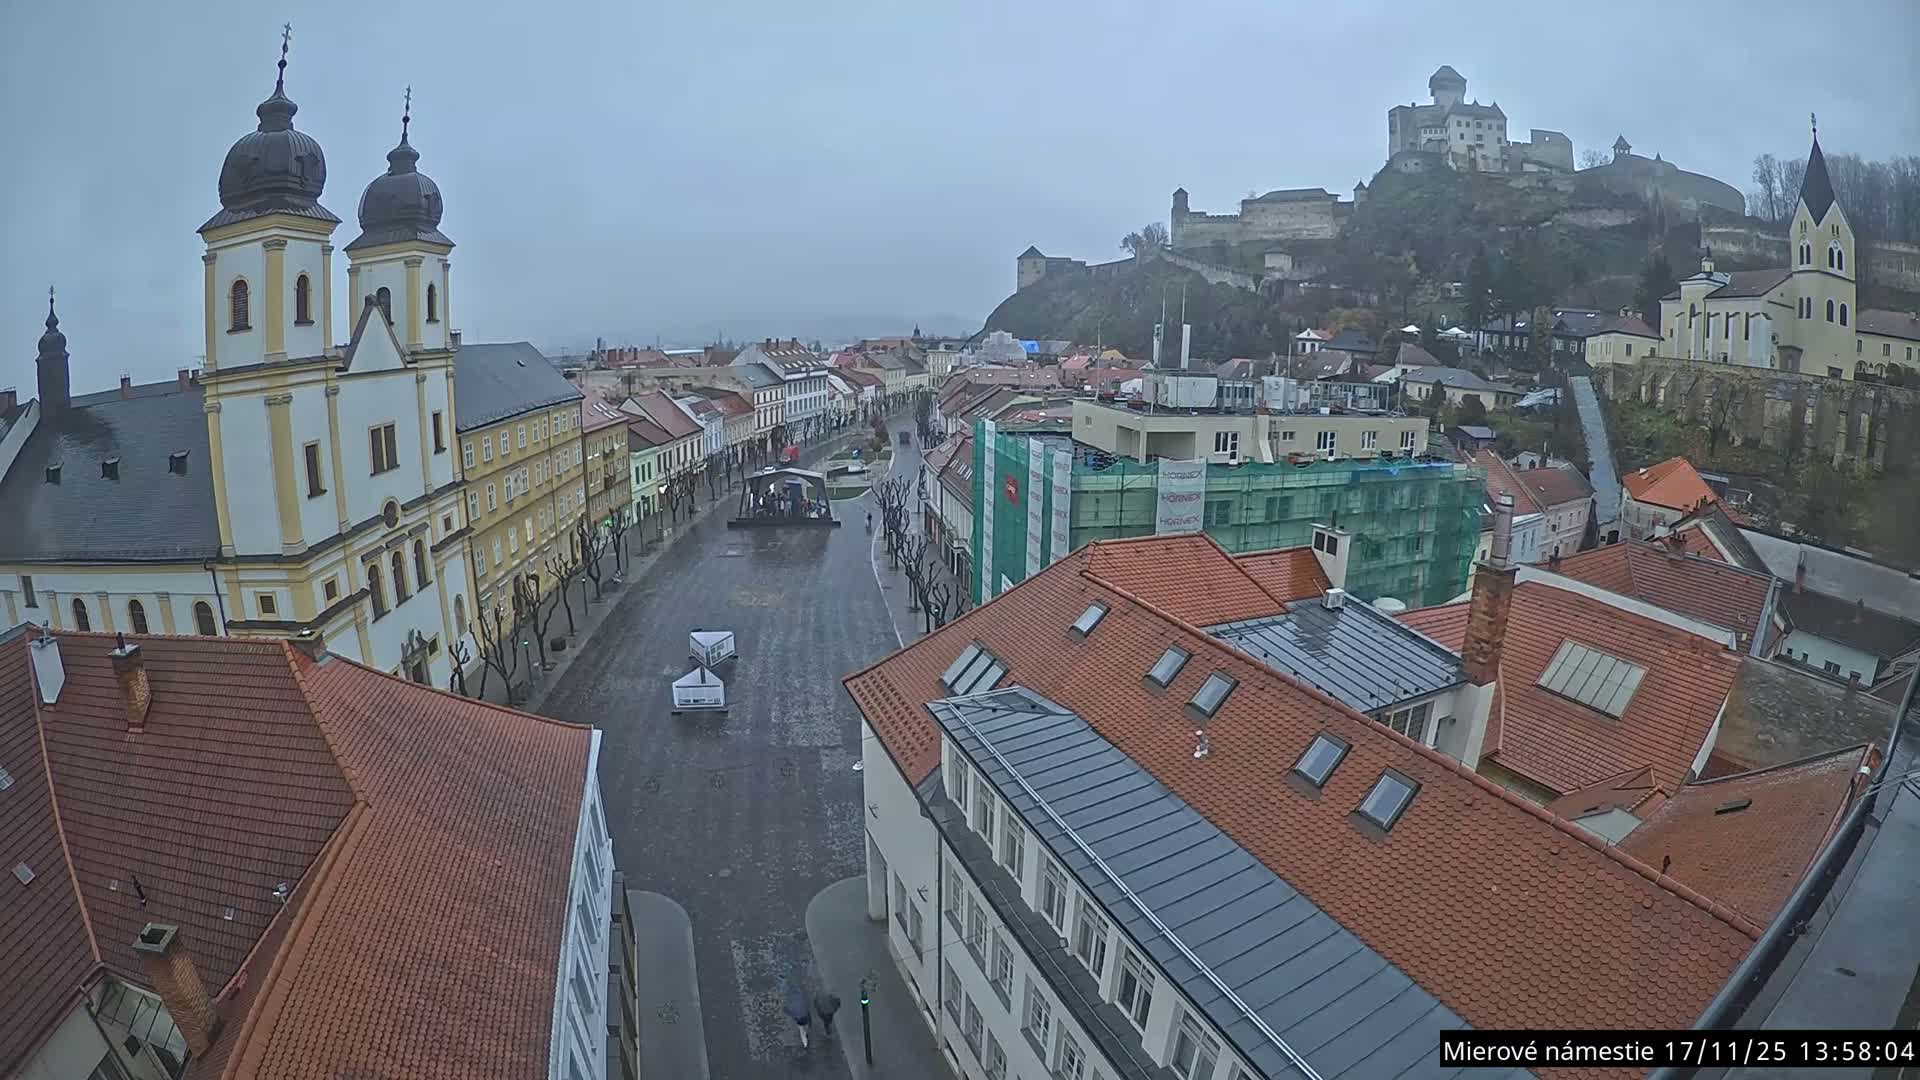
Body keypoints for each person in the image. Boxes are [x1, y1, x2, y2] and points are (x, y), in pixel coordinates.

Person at [784, 981, 812, 1048]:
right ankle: (806, 1033)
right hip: (806, 1016)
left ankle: (805, 1043)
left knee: (801, 1031)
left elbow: (790, 1013)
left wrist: (786, 1010)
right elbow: (807, 1004)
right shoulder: (801, 997)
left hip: (799, 1020)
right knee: (806, 1027)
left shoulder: (792, 1003)